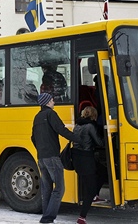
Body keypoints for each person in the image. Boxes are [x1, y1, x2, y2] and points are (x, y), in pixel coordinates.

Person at [31, 93, 81, 224]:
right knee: (59, 188)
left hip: (41, 158)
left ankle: (46, 217)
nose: (54, 102)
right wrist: (78, 139)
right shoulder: (51, 114)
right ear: (47, 102)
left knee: (47, 188)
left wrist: (41, 149)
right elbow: (61, 130)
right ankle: (48, 218)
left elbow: (33, 138)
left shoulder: (37, 117)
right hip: (52, 157)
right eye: (52, 100)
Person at [72, 106, 106, 224]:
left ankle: (95, 195)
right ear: (94, 115)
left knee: (102, 170)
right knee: (90, 190)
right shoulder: (90, 126)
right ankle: (82, 217)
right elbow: (99, 142)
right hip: (87, 159)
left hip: (77, 159)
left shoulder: (77, 125)